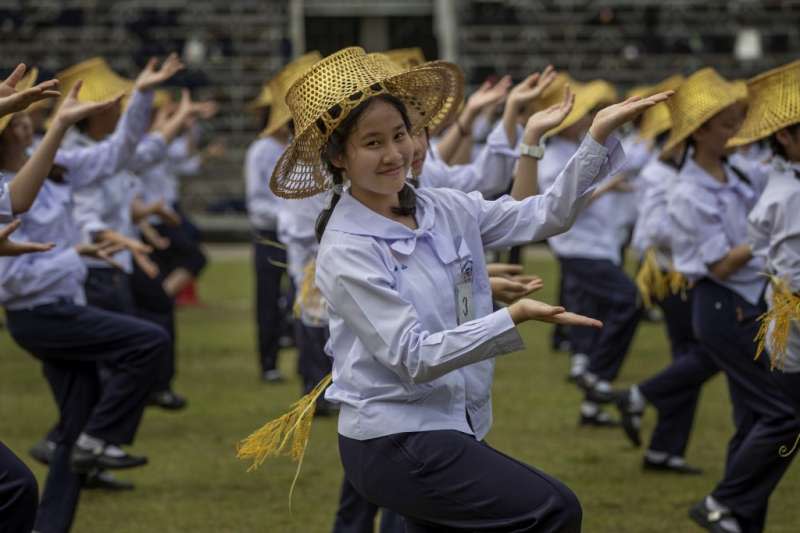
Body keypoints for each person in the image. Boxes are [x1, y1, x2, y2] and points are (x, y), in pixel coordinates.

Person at [267, 47, 670, 532]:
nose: (395, 154)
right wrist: (511, 317)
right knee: (554, 509)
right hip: (395, 438)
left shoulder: (442, 206)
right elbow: (413, 356)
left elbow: (546, 215)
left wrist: (596, 137)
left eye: (401, 135)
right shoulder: (347, 248)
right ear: (338, 157)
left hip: (449, 424)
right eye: (372, 143)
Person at [0, 58, 178, 532]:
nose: (28, 123)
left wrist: (140, 94)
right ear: (8, 135)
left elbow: (116, 154)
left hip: (62, 308)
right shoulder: (6, 189)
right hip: (39, 315)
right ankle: (102, 438)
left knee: (75, 425)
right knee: (148, 341)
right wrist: (75, 255)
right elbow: (12, 283)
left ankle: (52, 520)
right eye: (19, 120)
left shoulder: (51, 167)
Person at [665, 67, 799, 533]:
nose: (736, 133)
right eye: (726, 125)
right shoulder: (686, 193)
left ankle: (741, 518)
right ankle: (722, 502)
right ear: (699, 132)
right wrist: (765, 238)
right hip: (722, 306)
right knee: (783, 415)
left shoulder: (737, 171)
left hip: (746, 302)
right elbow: (717, 265)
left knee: (755, 417)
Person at [612, 74, 718, 475]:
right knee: (707, 355)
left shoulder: (682, 173)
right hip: (672, 277)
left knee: (688, 360)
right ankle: (640, 395)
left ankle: (664, 449)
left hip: (684, 274)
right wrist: (704, 232)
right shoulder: (660, 175)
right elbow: (653, 232)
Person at [246, 51, 321, 382]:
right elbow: (258, 203)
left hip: (295, 233)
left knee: (306, 306)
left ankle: (313, 374)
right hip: (273, 234)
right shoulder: (262, 151)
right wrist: (287, 217)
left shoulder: (304, 149)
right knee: (278, 301)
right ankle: (271, 362)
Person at [740, 60, 800, 414]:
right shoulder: (790, 194)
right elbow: (795, 279)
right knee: (781, 423)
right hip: (794, 332)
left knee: (780, 424)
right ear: (784, 136)